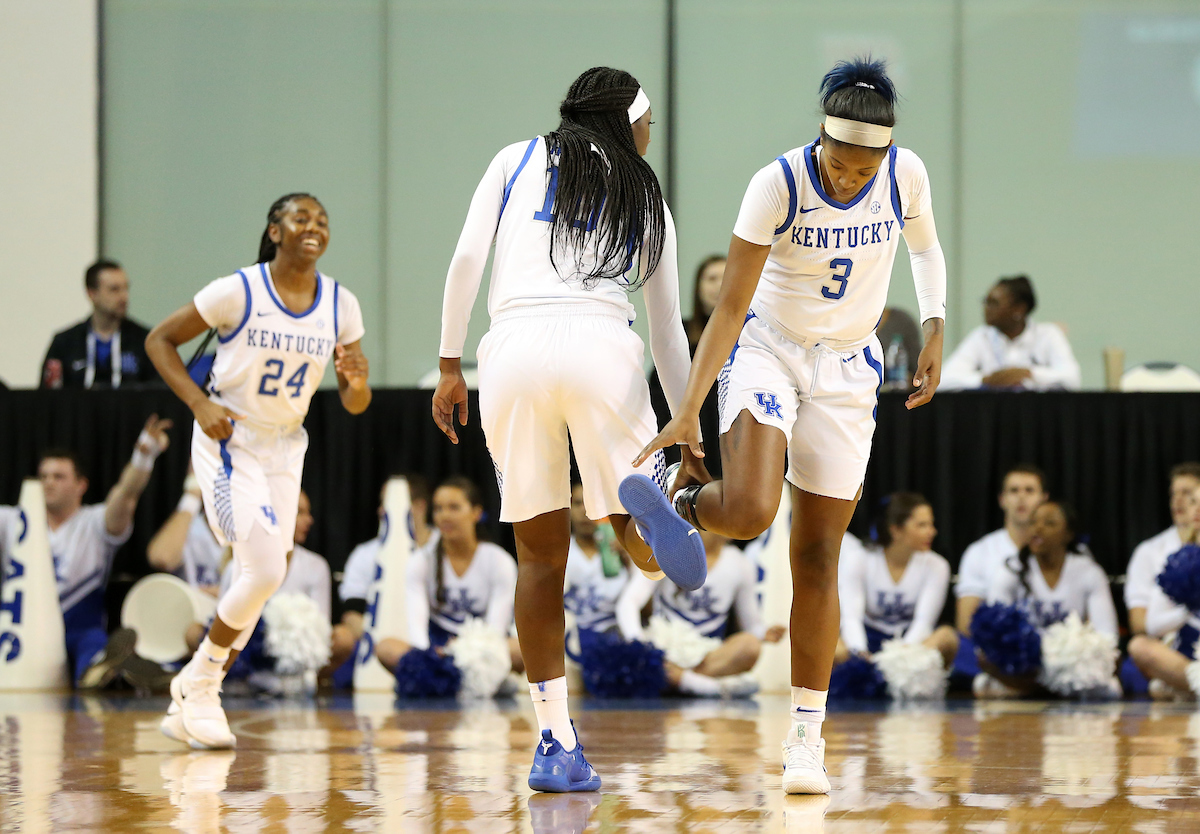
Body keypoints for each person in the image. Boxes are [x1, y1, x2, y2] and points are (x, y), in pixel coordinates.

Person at [632, 57, 947, 794]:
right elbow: (730, 308)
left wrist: (934, 324)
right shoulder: (776, 183)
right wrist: (687, 408)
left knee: (817, 556)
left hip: (847, 369)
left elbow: (925, 249)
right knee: (747, 510)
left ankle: (807, 738)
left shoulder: (907, 176)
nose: (850, 178)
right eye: (839, 163)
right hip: (770, 350)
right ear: (821, 139)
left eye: (865, 167)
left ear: (887, 152)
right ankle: (677, 498)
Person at [432, 67, 705, 792]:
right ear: (628, 122)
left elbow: (465, 260)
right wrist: (686, 429)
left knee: (538, 556)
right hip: (600, 347)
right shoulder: (645, 193)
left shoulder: (514, 158)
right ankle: (647, 527)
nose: (652, 137)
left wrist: (448, 362)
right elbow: (669, 330)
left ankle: (554, 743)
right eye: (649, 124)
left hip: (511, 352)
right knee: (627, 521)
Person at [145, 192, 371, 749]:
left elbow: (354, 403)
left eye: (322, 219)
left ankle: (193, 694)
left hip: (286, 445)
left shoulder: (342, 304)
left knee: (266, 573)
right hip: (231, 437)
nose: (313, 226)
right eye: (301, 217)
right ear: (275, 231)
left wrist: (358, 379)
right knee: (266, 570)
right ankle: (201, 683)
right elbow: (160, 341)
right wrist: (199, 403)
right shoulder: (238, 290)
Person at [0, 419, 171, 687]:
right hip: (20, 630)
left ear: (81, 485)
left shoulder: (93, 522)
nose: (48, 483)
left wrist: (143, 455)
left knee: (92, 642)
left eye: (58, 477)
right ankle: (120, 670)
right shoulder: (11, 520)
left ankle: (103, 671)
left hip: (77, 627)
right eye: (43, 476)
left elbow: (127, 494)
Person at [616, 528, 784, 697]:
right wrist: (639, 645)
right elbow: (629, 602)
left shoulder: (741, 564)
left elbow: (752, 625)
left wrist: (765, 633)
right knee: (629, 659)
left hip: (706, 654)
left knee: (750, 646)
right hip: (663, 647)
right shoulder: (666, 549)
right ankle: (709, 687)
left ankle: (680, 681)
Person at [374, 477, 520, 672]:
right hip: (436, 647)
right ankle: (441, 678)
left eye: (454, 508)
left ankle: (465, 679)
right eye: (438, 508)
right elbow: (417, 630)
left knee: (520, 650)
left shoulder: (499, 561)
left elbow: (495, 631)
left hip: (482, 649)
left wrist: (463, 652)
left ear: (476, 513)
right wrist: (430, 656)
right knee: (386, 648)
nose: (444, 516)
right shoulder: (421, 560)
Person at [976, 500, 1118, 697]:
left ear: (1068, 534)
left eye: (1049, 523)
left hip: (1070, 663)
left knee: (1110, 671)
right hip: (1027, 663)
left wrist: (1071, 652)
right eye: (1033, 522)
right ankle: (1056, 690)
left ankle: (1026, 691)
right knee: (984, 657)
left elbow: (1107, 636)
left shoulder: (1089, 572)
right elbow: (993, 630)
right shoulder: (1010, 570)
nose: (1038, 528)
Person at [835, 493, 957, 669]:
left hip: (910, 644)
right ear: (896, 530)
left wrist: (898, 657)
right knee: (832, 646)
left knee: (947, 637)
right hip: (868, 638)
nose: (932, 531)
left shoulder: (937, 565)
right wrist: (860, 654)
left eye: (931, 524)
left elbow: (924, 622)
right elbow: (851, 618)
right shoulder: (859, 559)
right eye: (922, 525)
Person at [940, 275, 1081, 391]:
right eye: (986, 301)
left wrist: (1029, 374)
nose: (986, 309)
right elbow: (944, 381)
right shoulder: (981, 337)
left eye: (994, 303)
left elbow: (1072, 379)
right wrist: (986, 379)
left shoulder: (1048, 334)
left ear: (1019, 309)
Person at [955, 465, 1049, 635]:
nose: (1021, 497)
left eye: (1029, 490)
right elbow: (965, 622)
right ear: (1002, 499)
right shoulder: (979, 551)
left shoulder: (1069, 552)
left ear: (1044, 498)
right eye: (1014, 491)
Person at [1127, 481, 1200, 698]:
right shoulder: (1180, 561)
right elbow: (1152, 624)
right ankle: (1193, 682)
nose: (1196, 509)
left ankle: (1184, 688)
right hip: (1188, 651)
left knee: (1159, 690)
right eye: (1194, 502)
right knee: (1140, 646)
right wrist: (1190, 608)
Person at [40, 259, 159, 389]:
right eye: (114, 289)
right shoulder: (64, 343)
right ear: (92, 294)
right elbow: (47, 398)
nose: (124, 297)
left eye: (126, 288)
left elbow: (158, 394)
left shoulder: (145, 341)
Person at [1125, 463, 1200, 635]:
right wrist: (1190, 610)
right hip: (1169, 644)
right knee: (1140, 647)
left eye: (1188, 494)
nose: (1178, 500)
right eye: (1174, 493)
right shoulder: (1153, 552)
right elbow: (1141, 625)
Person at [563, 482, 629, 645]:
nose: (585, 511)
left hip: (615, 642)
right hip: (567, 643)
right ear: (568, 508)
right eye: (578, 503)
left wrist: (632, 563)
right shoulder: (557, 554)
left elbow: (647, 612)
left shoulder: (624, 551)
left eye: (592, 503)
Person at [146, 464, 223, 596]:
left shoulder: (257, 532)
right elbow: (161, 558)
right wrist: (192, 496)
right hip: (193, 614)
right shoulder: (189, 528)